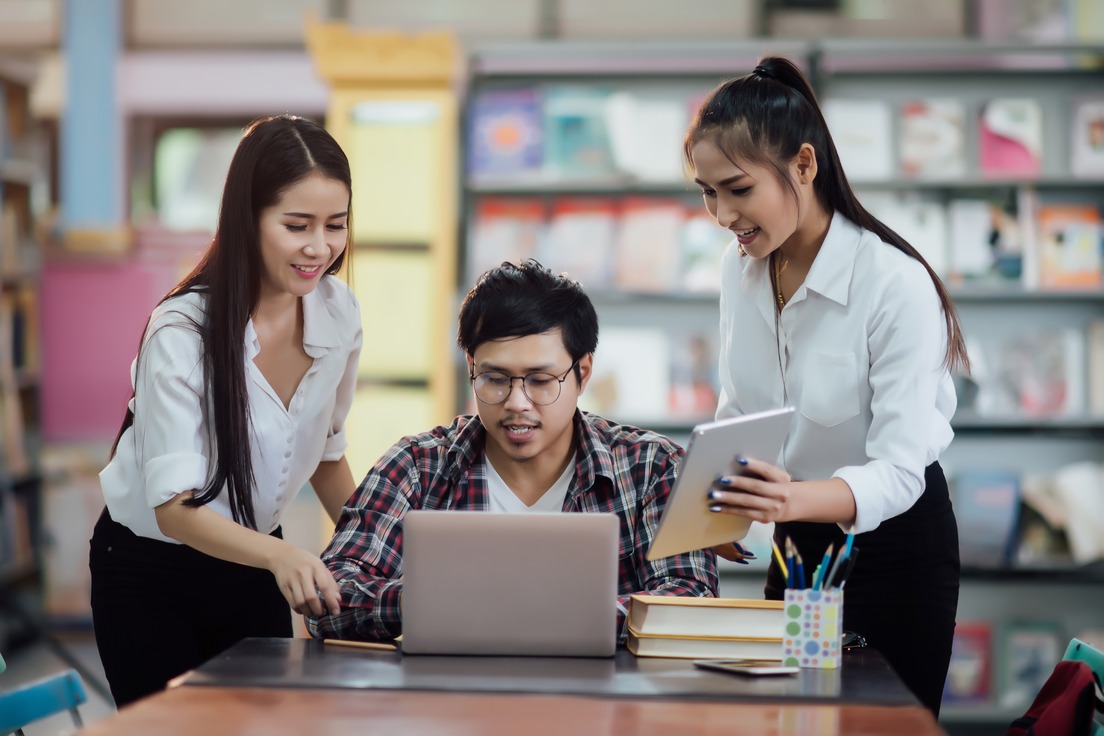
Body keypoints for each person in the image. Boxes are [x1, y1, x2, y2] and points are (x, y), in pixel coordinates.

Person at [684, 57, 968, 716]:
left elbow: (901, 471)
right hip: (798, 545)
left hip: (895, 550)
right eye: (706, 192)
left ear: (804, 167)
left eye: (737, 189)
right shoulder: (741, 267)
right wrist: (719, 503)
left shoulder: (894, 284)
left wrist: (787, 499)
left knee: (877, 728)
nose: (722, 214)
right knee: (788, 721)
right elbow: (742, 409)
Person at [89, 114, 362, 708]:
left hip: (252, 562)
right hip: (149, 572)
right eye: (297, 225)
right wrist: (283, 554)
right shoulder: (182, 330)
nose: (320, 247)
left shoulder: (339, 313)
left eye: (335, 225)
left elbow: (327, 457)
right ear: (249, 218)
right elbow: (176, 511)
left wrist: (387, 549)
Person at [307, 260, 718, 643]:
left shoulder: (652, 467)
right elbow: (330, 594)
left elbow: (690, 598)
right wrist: (430, 599)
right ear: (470, 365)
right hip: (450, 711)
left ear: (583, 373)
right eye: (495, 378)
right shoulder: (419, 466)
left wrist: (525, 610)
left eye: (540, 380)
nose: (517, 402)